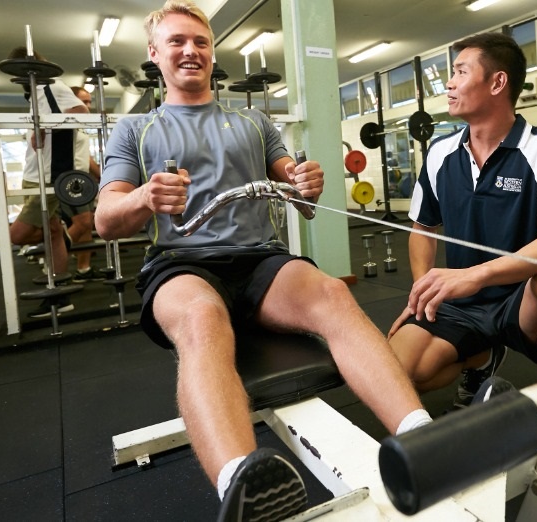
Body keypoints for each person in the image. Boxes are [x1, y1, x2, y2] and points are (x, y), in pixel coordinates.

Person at [94, 2, 430, 519]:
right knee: (203, 320)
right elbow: (105, 219)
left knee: (333, 293)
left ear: (212, 52)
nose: (191, 51)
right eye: (178, 42)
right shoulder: (135, 129)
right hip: (181, 263)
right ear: (155, 55)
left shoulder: (253, 122)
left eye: (201, 42)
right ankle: (241, 484)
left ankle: (423, 439)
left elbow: (299, 194)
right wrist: (143, 198)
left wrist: (305, 183)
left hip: (259, 261)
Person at [387, 32, 537, 420]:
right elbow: (422, 227)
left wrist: (478, 276)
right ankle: (480, 359)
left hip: (523, 299)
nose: (449, 83)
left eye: (460, 72)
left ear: (497, 83)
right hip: (460, 301)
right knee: (399, 371)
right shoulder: (439, 153)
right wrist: (423, 290)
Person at [6, 47, 90, 318]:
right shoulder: (35, 92)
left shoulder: (52, 85)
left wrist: (46, 127)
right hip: (33, 173)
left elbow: (81, 112)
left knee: (16, 236)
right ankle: (60, 296)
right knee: (52, 232)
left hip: (50, 175)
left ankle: (64, 243)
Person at [64, 86, 105, 283]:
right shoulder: (64, 124)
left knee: (87, 224)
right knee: (83, 222)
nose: (88, 106)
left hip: (83, 179)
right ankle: (55, 257)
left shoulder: (78, 127)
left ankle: (83, 269)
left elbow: (86, 158)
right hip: (70, 180)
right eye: (83, 101)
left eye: (89, 101)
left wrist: (103, 176)